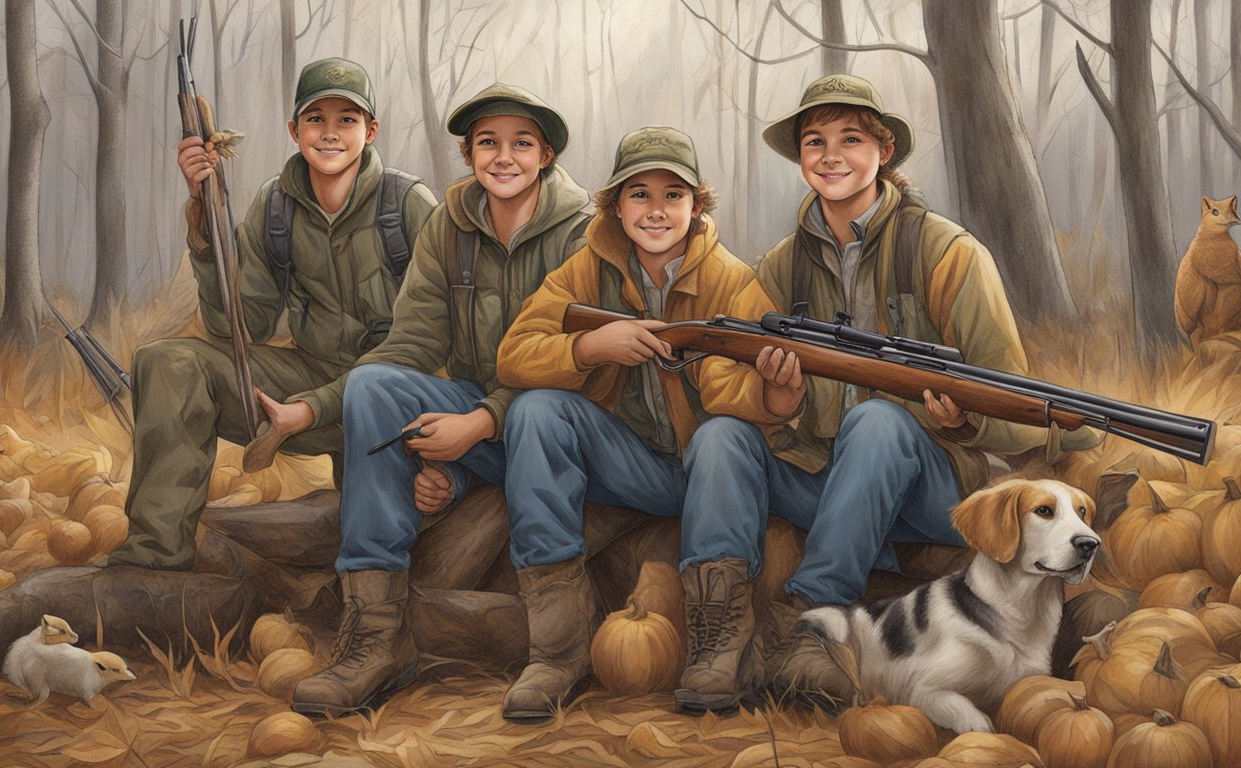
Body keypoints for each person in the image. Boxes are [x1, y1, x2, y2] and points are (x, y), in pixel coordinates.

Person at [729, 73, 1101, 705]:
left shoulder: (947, 252)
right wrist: (771, 401)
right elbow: (741, 391)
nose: (831, 156)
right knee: (725, 438)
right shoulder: (778, 267)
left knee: (878, 424)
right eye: (814, 142)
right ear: (801, 161)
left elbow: (1016, 400)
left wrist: (964, 422)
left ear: (886, 153)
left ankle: (814, 626)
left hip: (936, 489)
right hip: (829, 483)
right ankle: (725, 641)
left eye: (850, 138)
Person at [289, 84, 592, 717]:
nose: (503, 157)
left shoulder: (586, 233)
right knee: (376, 384)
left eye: (521, 143)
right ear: (468, 153)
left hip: (563, 424)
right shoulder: (448, 227)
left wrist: (479, 424)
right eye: (488, 143)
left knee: (536, 412)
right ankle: (377, 635)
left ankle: (558, 652)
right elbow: (411, 342)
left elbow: (580, 365)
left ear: (548, 155)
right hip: (483, 420)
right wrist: (324, 404)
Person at [495, 127, 799, 719]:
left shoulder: (734, 281)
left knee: (720, 434)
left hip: (713, 473)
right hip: (628, 464)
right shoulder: (585, 270)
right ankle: (557, 650)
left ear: (696, 205)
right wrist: (591, 348)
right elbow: (515, 354)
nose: (657, 211)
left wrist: (773, 395)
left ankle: (721, 649)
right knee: (533, 410)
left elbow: (736, 394)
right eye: (639, 194)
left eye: (674, 195)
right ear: (614, 205)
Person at [105, 58, 437, 570]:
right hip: (305, 383)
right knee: (167, 361)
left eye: (346, 120)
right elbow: (240, 325)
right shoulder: (276, 205)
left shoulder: (409, 206)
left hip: (393, 401)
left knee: (388, 546)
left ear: (370, 131)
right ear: (294, 130)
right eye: (315, 119)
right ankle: (154, 560)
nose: (329, 134)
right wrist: (205, 215)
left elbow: (436, 336)